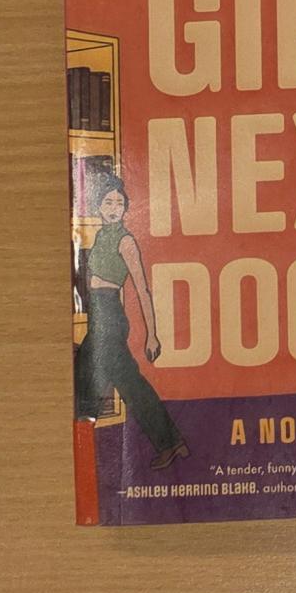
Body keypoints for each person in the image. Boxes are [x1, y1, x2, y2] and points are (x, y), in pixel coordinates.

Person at [79, 177, 186, 469]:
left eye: (120, 203)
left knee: (98, 381)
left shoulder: (126, 241)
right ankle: (171, 441)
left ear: (127, 209)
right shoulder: (101, 236)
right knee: (123, 382)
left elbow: (142, 289)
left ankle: (167, 442)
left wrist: (152, 335)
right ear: (99, 206)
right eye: (108, 202)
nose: (114, 208)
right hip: (99, 316)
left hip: (109, 317)